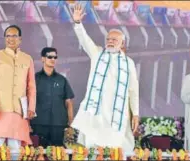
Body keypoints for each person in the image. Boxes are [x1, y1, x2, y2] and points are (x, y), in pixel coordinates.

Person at [70, 4, 139, 153]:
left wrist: (136, 113)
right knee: (92, 150)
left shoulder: (129, 63)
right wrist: (77, 23)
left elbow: (133, 91)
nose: (110, 41)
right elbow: (84, 39)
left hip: (117, 114)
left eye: (115, 39)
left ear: (122, 44)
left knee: (115, 150)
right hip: (97, 113)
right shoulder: (97, 54)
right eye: (108, 39)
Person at [0, 25, 36, 153]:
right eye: (7, 36)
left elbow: (31, 86)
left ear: (20, 39)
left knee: (15, 150)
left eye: (14, 36)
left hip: (18, 111)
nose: (10, 39)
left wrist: (31, 107)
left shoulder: (27, 59)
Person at [31, 47, 74, 147]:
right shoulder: (34, 79)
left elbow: (69, 102)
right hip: (38, 124)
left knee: (58, 154)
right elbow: (27, 101)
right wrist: (27, 123)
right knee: (39, 154)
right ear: (43, 59)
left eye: (55, 57)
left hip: (58, 125)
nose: (53, 59)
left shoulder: (62, 80)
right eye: (50, 57)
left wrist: (71, 124)